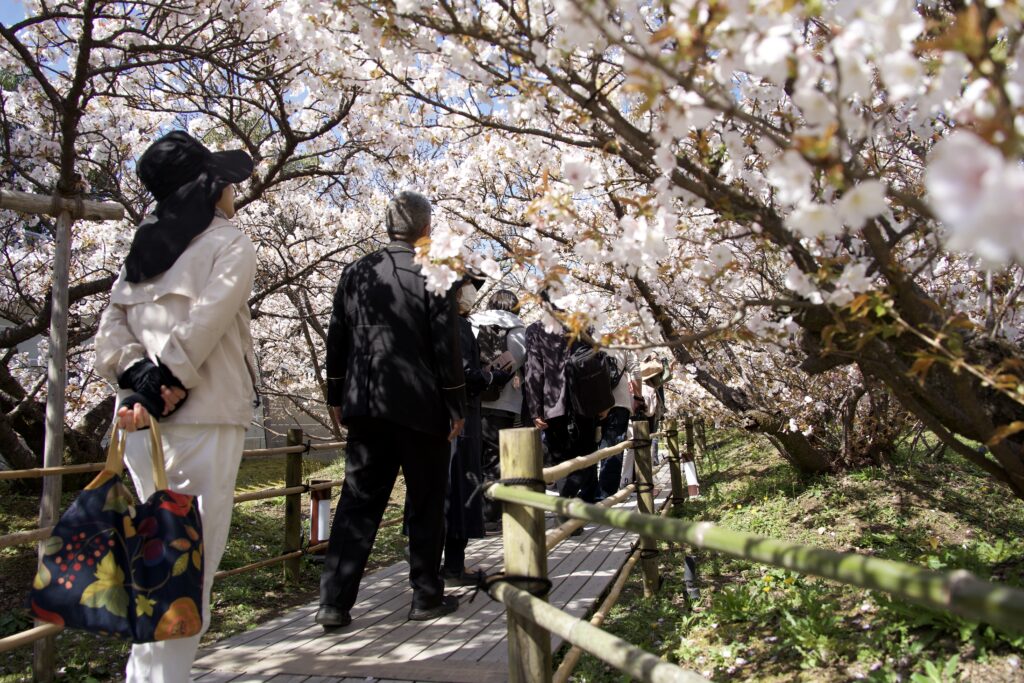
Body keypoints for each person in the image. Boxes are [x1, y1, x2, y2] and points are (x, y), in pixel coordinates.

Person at [94, 130, 257, 683]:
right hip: (203, 419)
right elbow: (207, 320)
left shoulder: (144, 247)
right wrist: (164, 379)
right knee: (187, 576)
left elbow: (109, 333)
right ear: (209, 188)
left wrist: (139, 376)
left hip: (140, 426)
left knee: (156, 567)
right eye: (223, 181)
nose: (232, 189)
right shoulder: (229, 242)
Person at [318, 191, 466, 628]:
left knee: (358, 504)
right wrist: (455, 403)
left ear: (388, 228)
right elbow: (446, 346)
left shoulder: (356, 271)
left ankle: (334, 603)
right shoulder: (434, 272)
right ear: (426, 230)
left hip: (366, 402)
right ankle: (425, 596)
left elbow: (337, 338)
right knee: (425, 501)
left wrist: (336, 396)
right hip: (422, 406)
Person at [442, 275, 508, 584]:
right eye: (468, 287)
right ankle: (455, 566)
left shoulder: (438, 323)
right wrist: (489, 376)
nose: (472, 293)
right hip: (462, 415)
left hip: (441, 416)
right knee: (461, 487)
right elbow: (466, 373)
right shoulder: (458, 326)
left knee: (444, 489)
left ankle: (438, 564)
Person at [523, 315, 600, 506]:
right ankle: (576, 508)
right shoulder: (583, 326)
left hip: (553, 404)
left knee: (561, 459)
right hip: (584, 404)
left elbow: (534, 371)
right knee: (584, 457)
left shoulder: (535, 330)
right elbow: (596, 363)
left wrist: (535, 409)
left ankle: (567, 512)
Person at [468, 289, 527, 527]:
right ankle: (491, 515)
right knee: (496, 458)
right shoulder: (520, 330)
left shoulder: (471, 324)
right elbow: (518, 364)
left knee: (473, 457)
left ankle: (471, 515)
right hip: (504, 403)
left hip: (472, 400)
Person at [597, 349, 634, 498]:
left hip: (594, 402)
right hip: (619, 402)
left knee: (597, 446)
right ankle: (606, 493)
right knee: (614, 447)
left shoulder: (590, 338)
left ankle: (593, 490)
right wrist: (638, 397)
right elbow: (635, 370)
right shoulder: (623, 341)